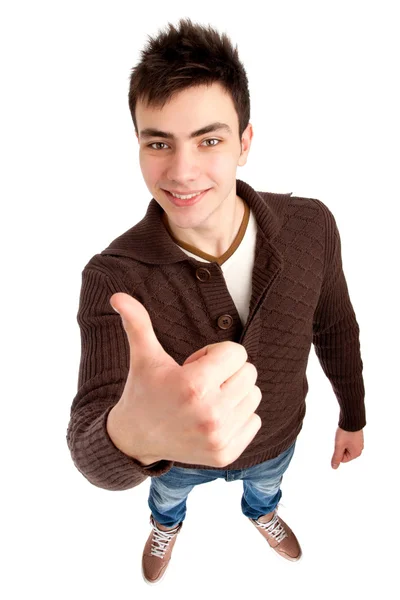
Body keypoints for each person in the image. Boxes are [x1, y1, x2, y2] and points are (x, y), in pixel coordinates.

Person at [66, 17, 366, 585]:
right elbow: (89, 444)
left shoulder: (312, 225)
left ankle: (263, 511)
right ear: (138, 145)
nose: (182, 172)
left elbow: (336, 327)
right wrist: (135, 434)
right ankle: (166, 523)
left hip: (277, 441)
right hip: (174, 463)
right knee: (168, 498)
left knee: (266, 487)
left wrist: (353, 414)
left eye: (209, 139)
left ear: (244, 142)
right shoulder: (111, 277)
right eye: (159, 143)